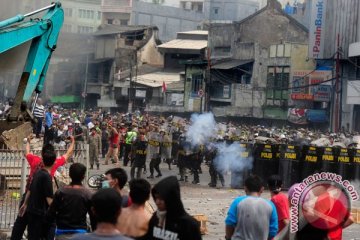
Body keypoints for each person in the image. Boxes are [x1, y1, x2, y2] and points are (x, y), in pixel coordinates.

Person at [10, 135, 75, 240]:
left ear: (42, 154)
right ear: (53, 157)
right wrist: (73, 141)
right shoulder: (53, 164)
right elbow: (68, 154)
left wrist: (28, 142)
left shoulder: (35, 160)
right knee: (46, 225)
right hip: (43, 201)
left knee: (21, 221)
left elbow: (27, 152)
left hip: (29, 195)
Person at [144, 176, 202, 240]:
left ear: (171, 198)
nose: (157, 202)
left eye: (161, 199)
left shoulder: (189, 225)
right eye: (156, 198)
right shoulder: (156, 218)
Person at [48, 163, 94, 240]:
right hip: (80, 233)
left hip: (62, 232)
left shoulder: (61, 192)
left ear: (69, 174)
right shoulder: (87, 194)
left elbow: (51, 213)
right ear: (83, 176)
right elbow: (93, 217)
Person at [225, 175, 278, 240]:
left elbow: (229, 223)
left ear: (245, 188)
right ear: (262, 189)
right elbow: (273, 230)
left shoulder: (237, 202)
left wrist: (228, 238)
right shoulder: (270, 205)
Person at [21, 144, 57, 239]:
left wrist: (25, 204)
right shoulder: (47, 177)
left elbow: (30, 189)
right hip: (39, 213)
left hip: (32, 210)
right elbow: (49, 200)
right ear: (54, 163)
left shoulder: (37, 172)